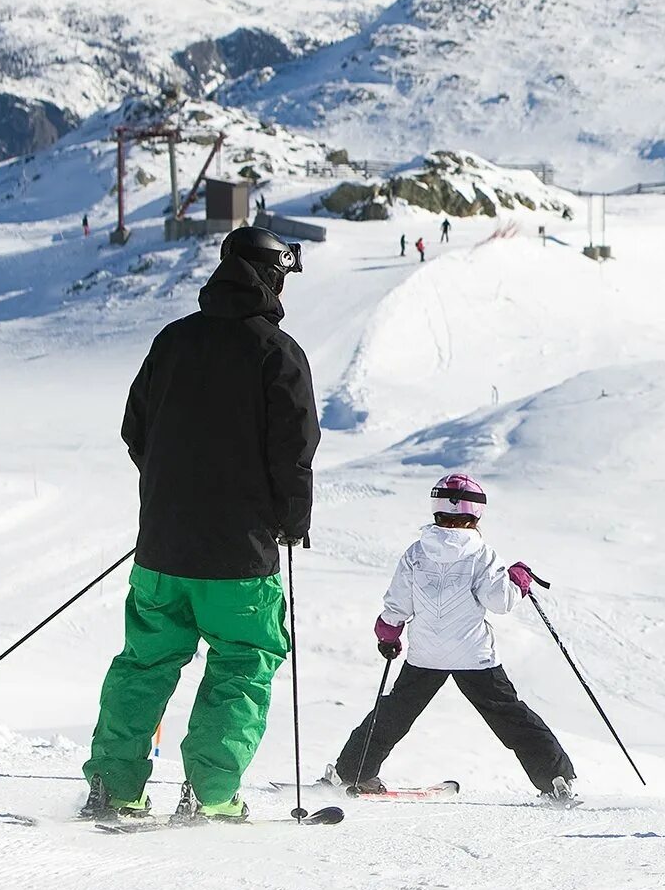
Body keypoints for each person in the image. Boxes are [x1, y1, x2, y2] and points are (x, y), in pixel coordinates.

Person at [81, 226, 319, 824]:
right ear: (271, 275)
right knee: (242, 663)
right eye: (283, 274)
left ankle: (114, 788)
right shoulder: (278, 353)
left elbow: (135, 430)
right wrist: (290, 521)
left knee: (145, 662)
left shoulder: (172, 340)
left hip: (162, 549)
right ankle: (210, 797)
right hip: (239, 557)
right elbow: (294, 451)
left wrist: (173, 493)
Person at [329, 474, 577, 803]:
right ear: (476, 513)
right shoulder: (481, 555)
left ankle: (350, 772)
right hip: (473, 656)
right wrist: (519, 578)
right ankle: (555, 778)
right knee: (509, 715)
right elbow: (499, 601)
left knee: (395, 713)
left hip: (426, 655)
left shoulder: (416, 553)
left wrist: (388, 633)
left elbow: (398, 603)